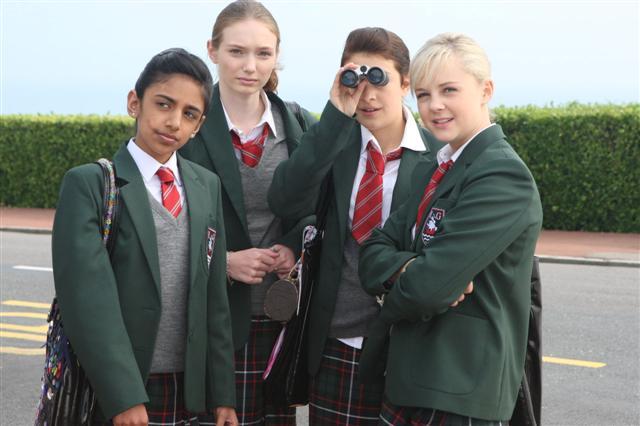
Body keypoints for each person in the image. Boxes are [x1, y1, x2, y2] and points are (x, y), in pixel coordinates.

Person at [357, 33, 543, 425]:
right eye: (423, 94)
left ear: (485, 90)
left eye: (449, 90)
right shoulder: (438, 166)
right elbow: (373, 249)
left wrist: (401, 280)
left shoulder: (502, 175)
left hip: (459, 390)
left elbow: (428, 288)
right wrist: (409, 269)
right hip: (417, 381)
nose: (433, 106)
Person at [267, 27, 446, 425]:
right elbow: (285, 200)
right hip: (336, 340)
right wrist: (334, 116)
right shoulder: (336, 144)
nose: (367, 93)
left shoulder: (439, 157)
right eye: (355, 77)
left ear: (405, 82)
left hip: (408, 343)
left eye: (378, 78)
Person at [51, 48, 237, 426]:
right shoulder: (89, 184)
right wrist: (123, 397)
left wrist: (223, 396)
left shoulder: (206, 186)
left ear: (199, 125)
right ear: (134, 102)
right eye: (163, 104)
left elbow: (214, 299)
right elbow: (88, 302)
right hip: (119, 390)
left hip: (190, 391)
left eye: (189, 114)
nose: (173, 122)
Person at [179, 1, 316, 424]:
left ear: (277, 55)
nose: (250, 66)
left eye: (263, 53)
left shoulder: (299, 124)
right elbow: (158, 222)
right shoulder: (186, 127)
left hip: (281, 322)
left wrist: (294, 246)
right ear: (212, 50)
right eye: (237, 51)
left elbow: (319, 208)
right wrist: (221, 263)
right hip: (211, 322)